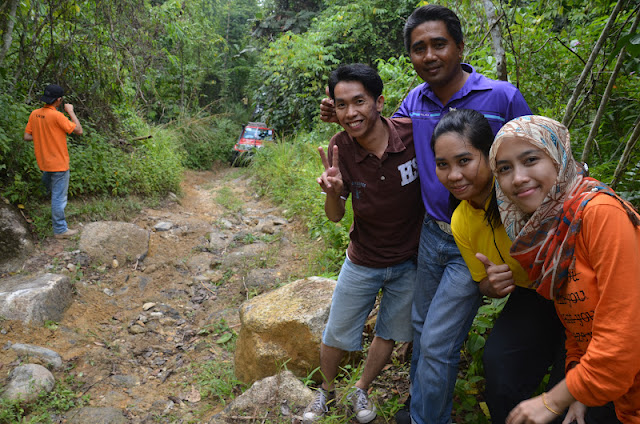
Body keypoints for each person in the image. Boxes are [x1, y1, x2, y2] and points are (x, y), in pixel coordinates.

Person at [322, 5, 531, 423]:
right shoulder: (414, 102)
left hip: (481, 235)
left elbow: (536, 153)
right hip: (431, 236)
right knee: (420, 330)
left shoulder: (501, 97)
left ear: (460, 46)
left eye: (439, 44)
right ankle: (423, 406)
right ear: (411, 57)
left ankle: (424, 417)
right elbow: (378, 130)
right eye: (419, 48)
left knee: (437, 340)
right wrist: (344, 116)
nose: (430, 55)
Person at [488, 115, 640, 424]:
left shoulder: (600, 215)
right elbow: (575, 320)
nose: (517, 178)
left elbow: (624, 335)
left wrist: (556, 398)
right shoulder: (551, 225)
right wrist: (577, 387)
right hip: (609, 382)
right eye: (504, 168)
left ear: (559, 158)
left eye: (530, 160)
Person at [303, 64, 423, 424]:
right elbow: (337, 216)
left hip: (410, 259)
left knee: (390, 332)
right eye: (341, 105)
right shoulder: (340, 147)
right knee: (337, 331)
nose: (351, 112)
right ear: (333, 110)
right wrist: (334, 192)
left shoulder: (414, 134)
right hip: (363, 258)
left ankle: (362, 388)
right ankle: (325, 392)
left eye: (359, 102)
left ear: (379, 102)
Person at [431, 109, 565, 423]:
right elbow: (483, 285)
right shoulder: (461, 219)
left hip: (576, 291)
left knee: (569, 389)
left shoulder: (522, 192)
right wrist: (492, 284)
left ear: (490, 157)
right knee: (499, 365)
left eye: (464, 161)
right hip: (532, 295)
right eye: (443, 165)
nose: (453, 175)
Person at [24, 84, 83, 238]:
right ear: (59, 100)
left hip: (44, 162)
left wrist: (42, 136)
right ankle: (60, 230)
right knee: (58, 198)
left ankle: (39, 208)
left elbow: (27, 136)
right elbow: (78, 130)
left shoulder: (35, 114)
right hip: (59, 164)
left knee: (47, 188)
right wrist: (70, 111)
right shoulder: (57, 116)